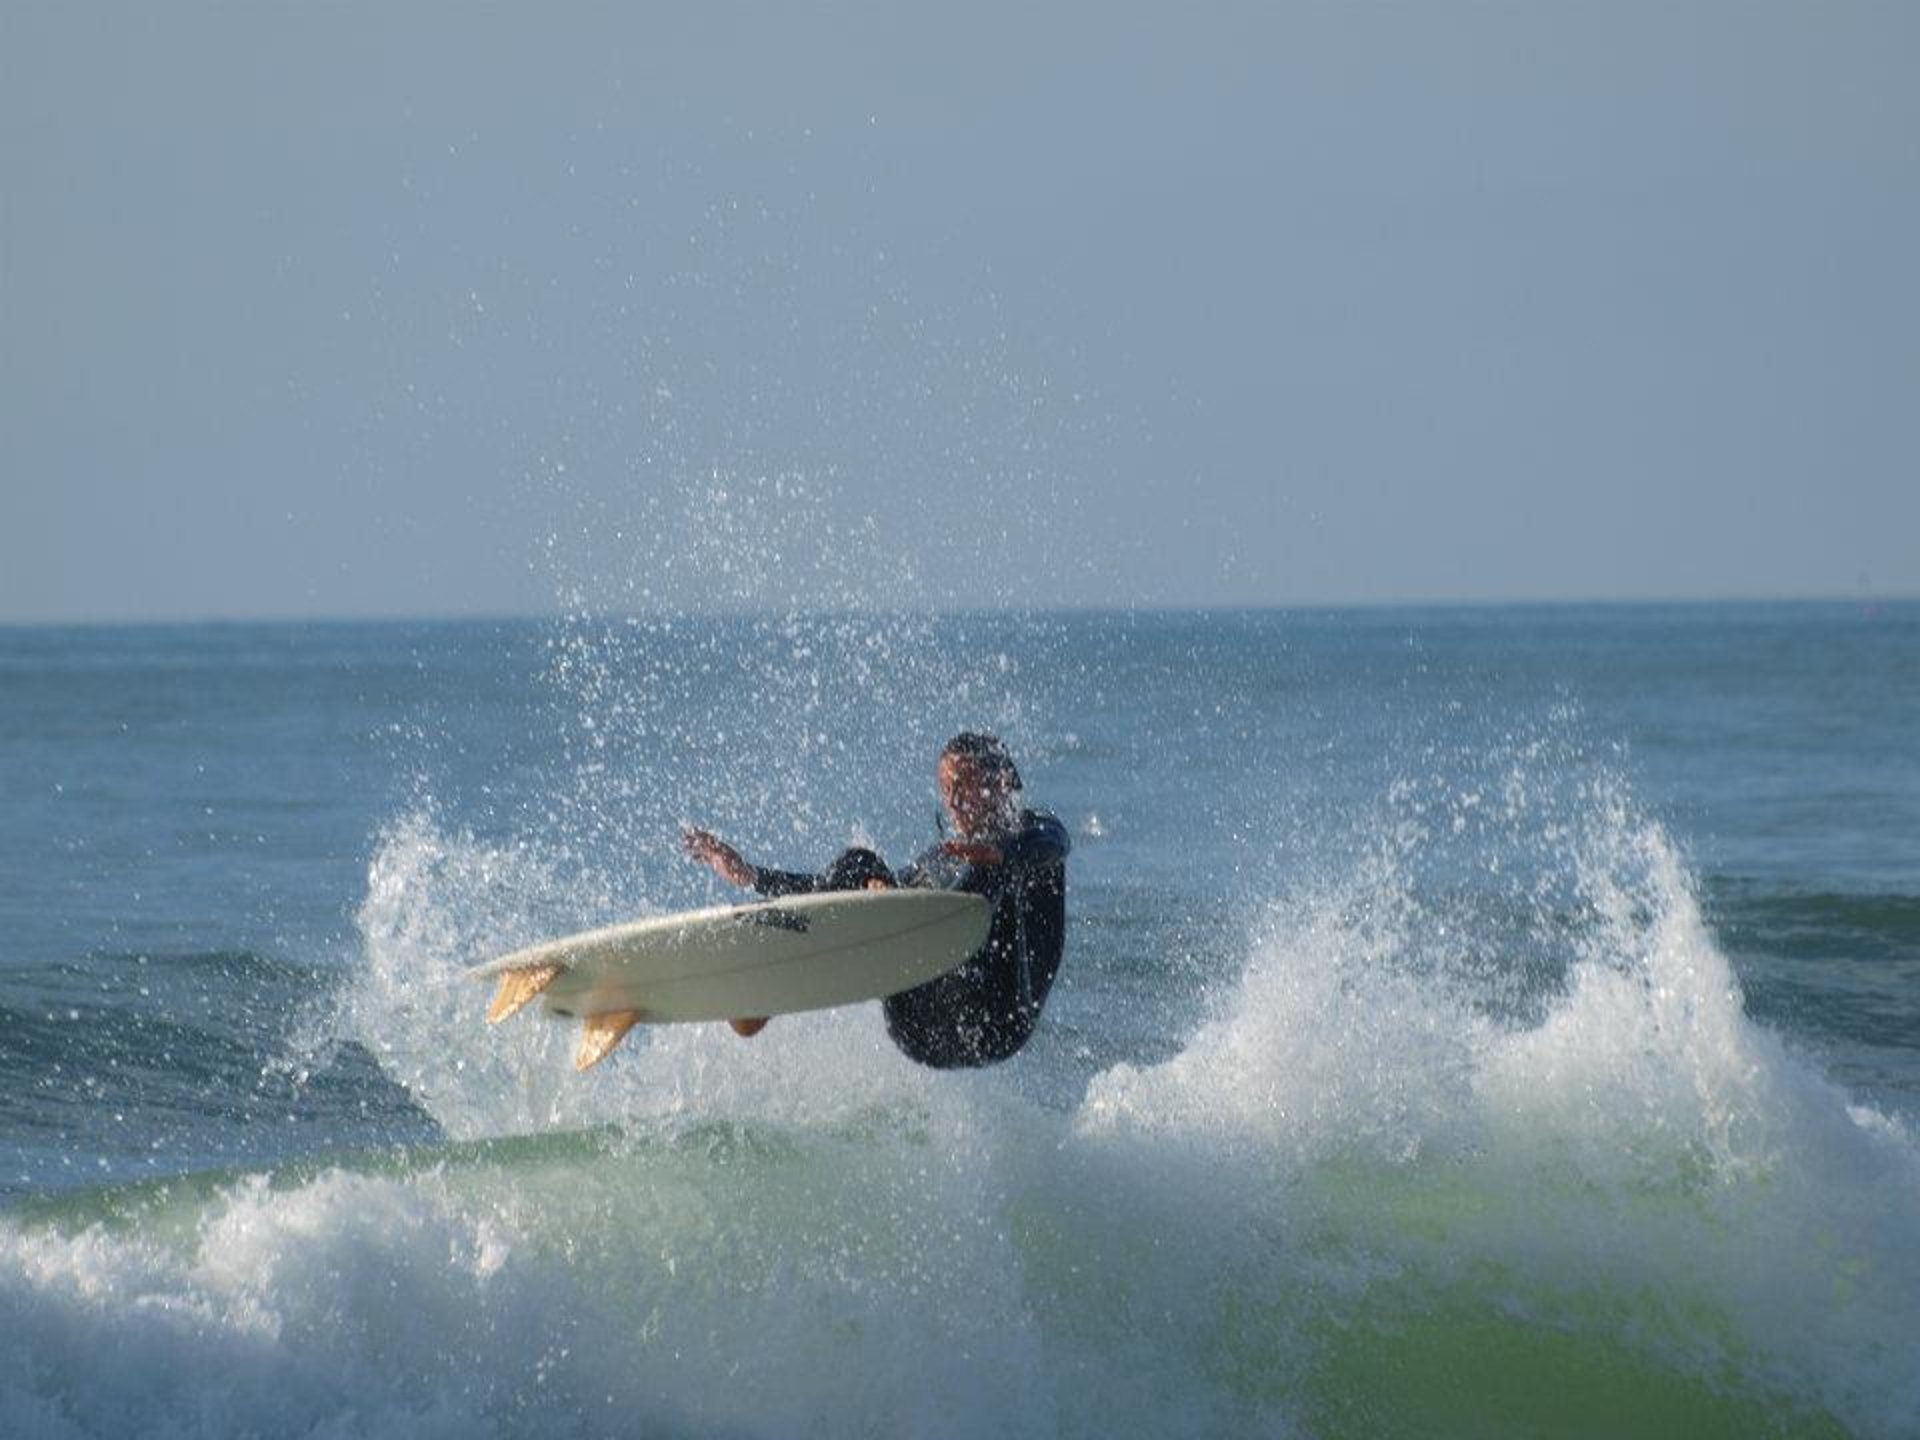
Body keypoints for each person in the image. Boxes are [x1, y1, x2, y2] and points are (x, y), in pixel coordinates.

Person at [681, 732, 1070, 1068]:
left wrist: (1000, 854)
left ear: (1000, 782)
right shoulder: (942, 859)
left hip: (997, 1022)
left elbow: (1054, 842)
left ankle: (900, 923)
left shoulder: (1034, 833)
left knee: (994, 869)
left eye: (963, 786)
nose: (953, 801)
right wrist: (752, 875)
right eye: (946, 789)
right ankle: (767, 992)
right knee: (859, 864)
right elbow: (833, 890)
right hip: (919, 1029)